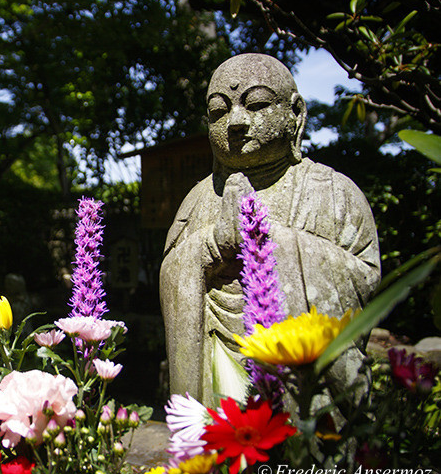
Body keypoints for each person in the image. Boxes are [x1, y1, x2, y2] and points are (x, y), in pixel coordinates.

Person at [160, 54, 381, 405]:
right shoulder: (198, 199)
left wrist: (270, 239)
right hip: (217, 371)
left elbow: (365, 279)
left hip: (303, 377)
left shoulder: (333, 192)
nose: (235, 121)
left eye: (257, 104)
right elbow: (172, 273)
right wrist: (211, 246)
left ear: (296, 114)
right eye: (219, 111)